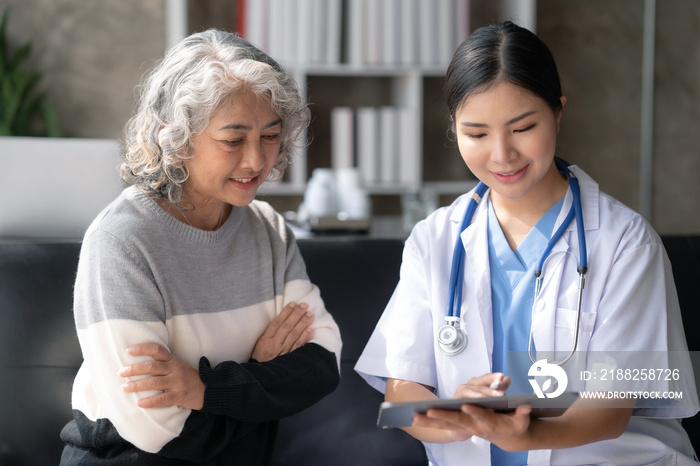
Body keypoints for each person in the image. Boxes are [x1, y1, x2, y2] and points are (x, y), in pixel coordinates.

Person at [355, 21, 699, 465]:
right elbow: (400, 396)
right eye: (476, 134)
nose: (501, 155)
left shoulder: (625, 244)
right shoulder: (435, 239)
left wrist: (523, 436)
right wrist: (456, 413)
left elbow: (612, 409)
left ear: (558, 111)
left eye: (522, 128)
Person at [60, 29, 342, 464]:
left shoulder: (268, 229)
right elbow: (154, 429)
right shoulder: (120, 241)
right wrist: (258, 381)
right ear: (175, 137)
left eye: (270, 136)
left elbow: (323, 365)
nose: (256, 160)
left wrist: (206, 388)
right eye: (233, 140)